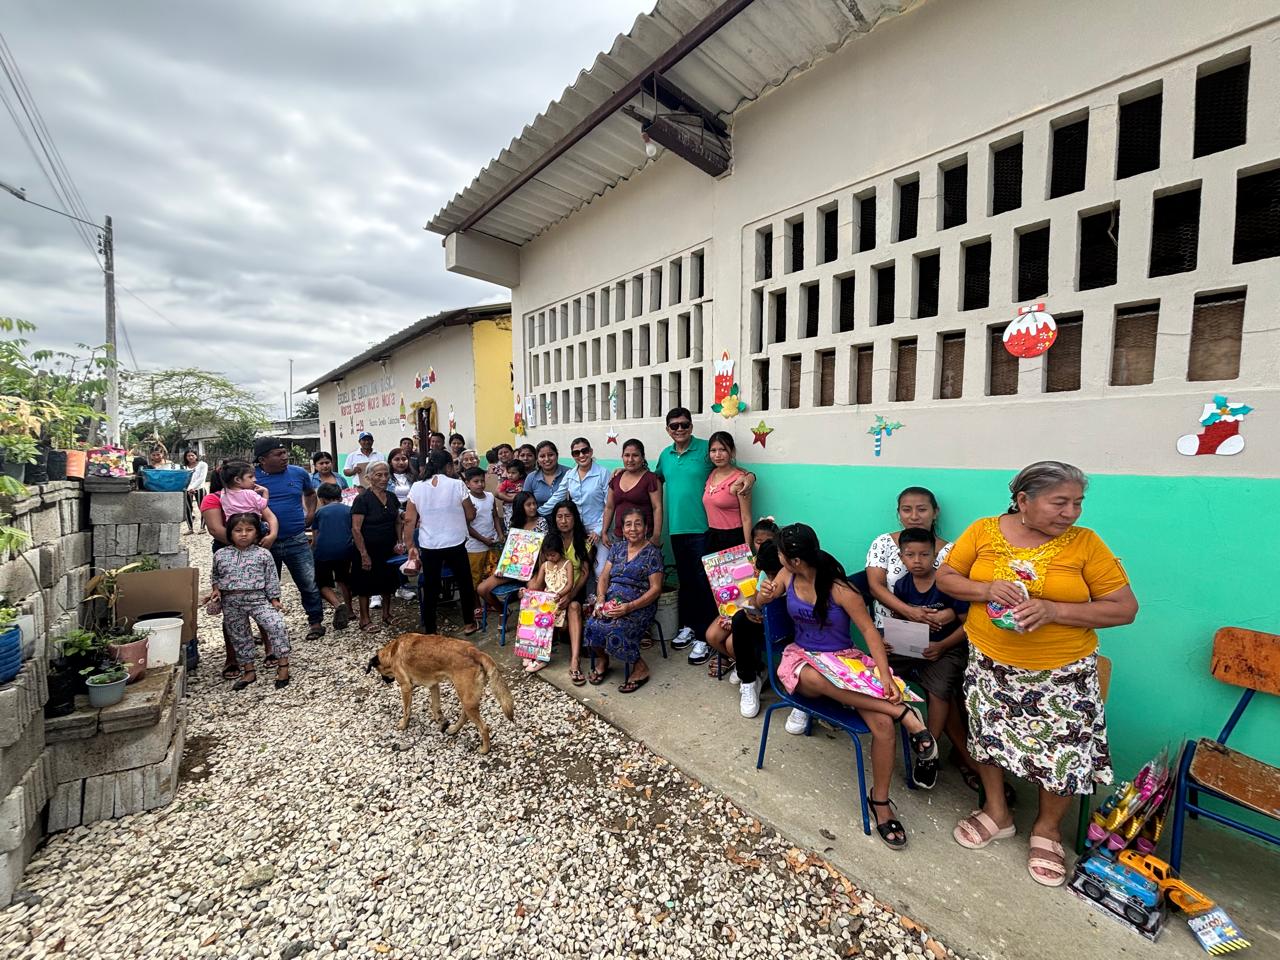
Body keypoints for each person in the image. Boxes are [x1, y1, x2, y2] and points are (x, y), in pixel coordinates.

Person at [937, 461, 1137, 886]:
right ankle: (997, 811)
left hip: (1061, 675)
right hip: (989, 665)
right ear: (1023, 500)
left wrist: (1055, 610)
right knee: (987, 739)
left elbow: (1124, 609)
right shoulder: (983, 531)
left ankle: (1047, 830)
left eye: (1077, 503)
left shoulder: (1086, 543)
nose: (1071, 513)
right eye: (1059, 502)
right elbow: (947, 578)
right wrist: (985, 588)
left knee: (1063, 755)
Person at [760, 523, 938, 850]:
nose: (779, 560)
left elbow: (869, 632)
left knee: (882, 726)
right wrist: (766, 595)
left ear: (796, 560)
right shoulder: (787, 576)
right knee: (815, 677)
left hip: (844, 661)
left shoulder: (841, 590)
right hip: (804, 660)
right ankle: (902, 712)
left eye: (782, 555)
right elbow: (760, 601)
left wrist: (884, 675)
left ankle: (880, 801)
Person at [655, 407, 753, 662]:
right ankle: (689, 626)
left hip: (703, 530)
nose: (679, 429)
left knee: (706, 585)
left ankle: (703, 635)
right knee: (686, 581)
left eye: (684, 424)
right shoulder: (665, 456)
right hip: (677, 529)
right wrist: (624, 472)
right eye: (674, 426)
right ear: (668, 429)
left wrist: (750, 477)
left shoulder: (705, 450)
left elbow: (731, 470)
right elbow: (654, 479)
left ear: (691, 426)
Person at [883, 527, 969, 789]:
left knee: (939, 690)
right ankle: (893, 723)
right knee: (878, 669)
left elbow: (969, 625)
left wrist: (942, 645)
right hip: (912, 646)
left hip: (947, 649)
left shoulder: (946, 584)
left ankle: (929, 748)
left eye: (924, 554)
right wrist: (890, 641)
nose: (917, 561)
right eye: (910, 555)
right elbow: (899, 620)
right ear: (901, 557)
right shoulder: (902, 585)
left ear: (935, 555)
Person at [583, 505, 665, 693]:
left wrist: (630, 607)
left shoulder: (652, 553)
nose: (633, 529)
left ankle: (640, 666)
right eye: (628, 524)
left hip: (639, 606)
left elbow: (656, 589)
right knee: (591, 624)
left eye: (638, 524)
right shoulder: (617, 548)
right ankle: (603, 659)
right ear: (623, 528)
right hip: (611, 602)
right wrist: (601, 599)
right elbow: (604, 577)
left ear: (646, 527)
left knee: (616, 628)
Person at [206, 512, 292, 690]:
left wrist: (274, 599)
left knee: (276, 625)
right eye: (238, 530)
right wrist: (216, 590)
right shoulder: (220, 555)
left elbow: (271, 578)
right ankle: (249, 670)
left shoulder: (263, 554)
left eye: (249, 530)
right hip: (231, 601)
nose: (243, 534)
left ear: (257, 533)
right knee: (239, 635)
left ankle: (283, 666)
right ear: (230, 533)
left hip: (258, 599)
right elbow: (216, 575)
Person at [253, 437, 326, 642]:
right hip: (265, 543)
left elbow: (310, 493)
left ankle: (315, 622)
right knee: (267, 587)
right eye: (278, 454)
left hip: (296, 539)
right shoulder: (251, 478)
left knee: (308, 583)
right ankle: (268, 628)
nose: (285, 457)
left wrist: (310, 514)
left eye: (285, 452)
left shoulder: (298, 473)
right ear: (262, 459)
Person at [403, 450, 480, 636]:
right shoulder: (457, 484)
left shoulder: (417, 487)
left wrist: (410, 546)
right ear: (448, 466)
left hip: (429, 544)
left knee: (431, 587)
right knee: (464, 583)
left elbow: (409, 520)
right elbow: (470, 514)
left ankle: (431, 629)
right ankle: (469, 623)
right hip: (455, 542)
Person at [704, 517, 779, 704]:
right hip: (734, 610)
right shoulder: (743, 560)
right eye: (758, 542)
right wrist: (727, 613)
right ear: (752, 542)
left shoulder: (776, 567)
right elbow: (727, 592)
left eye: (768, 542)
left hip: (753, 616)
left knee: (732, 644)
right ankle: (752, 667)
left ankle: (751, 672)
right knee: (712, 636)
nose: (763, 546)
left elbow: (760, 602)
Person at [539, 437, 609, 580]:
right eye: (576, 453)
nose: (581, 455)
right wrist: (538, 512)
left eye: (584, 451)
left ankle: (601, 594)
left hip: (598, 528)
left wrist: (599, 530)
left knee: (600, 570)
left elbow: (609, 505)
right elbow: (557, 497)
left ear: (591, 452)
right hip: (577, 530)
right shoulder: (570, 475)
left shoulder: (603, 473)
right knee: (576, 568)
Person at [350, 461, 405, 631]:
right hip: (367, 548)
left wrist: (399, 541)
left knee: (387, 581)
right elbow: (356, 529)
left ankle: (386, 614)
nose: (383, 478)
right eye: (378, 475)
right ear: (369, 478)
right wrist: (363, 554)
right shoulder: (362, 499)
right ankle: (364, 620)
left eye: (386, 474)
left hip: (388, 547)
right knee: (365, 584)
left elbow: (397, 521)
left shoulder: (392, 497)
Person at [524, 530, 587, 677]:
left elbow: (570, 584)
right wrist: (526, 591)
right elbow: (538, 585)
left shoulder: (567, 564)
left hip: (561, 599)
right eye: (548, 555)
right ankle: (532, 652)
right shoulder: (545, 565)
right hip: (548, 600)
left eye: (553, 554)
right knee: (535, 611)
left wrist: (560, 594)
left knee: (547, 618)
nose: (551, 558)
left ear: (560, 551)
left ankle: (541, 657)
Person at [477, 490, 546, 613]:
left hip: (533, 569)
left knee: (533, 589)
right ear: (520, 507)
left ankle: (530, 621)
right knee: (482, 589)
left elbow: (543, 550)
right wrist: (502, 568)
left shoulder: (541, 522)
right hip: (513, 569)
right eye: (528, 505)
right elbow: (509, 550)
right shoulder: (513, 524)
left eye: (534, 503)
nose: (533, 507)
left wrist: (530, 572)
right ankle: (503, 611)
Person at [601, 438, 662, 548]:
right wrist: (604, 531)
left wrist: (656, 535)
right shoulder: (616, 478)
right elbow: (609, 507)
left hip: (643, 538)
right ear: (622, 457)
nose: (630, 459)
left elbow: (657, 508)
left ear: (642, 457)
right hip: (619, 537)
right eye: (627, 455)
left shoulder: (651, 479)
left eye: (635, 455)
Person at [310, 483, 354, 630]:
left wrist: (311, 550)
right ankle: (350, 611)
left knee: (322, 583)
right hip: (345, 551)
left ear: (322, 499)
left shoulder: (319, 512)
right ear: (339, 496)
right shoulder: (349, 510)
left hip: (323, 552)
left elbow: (315, 537)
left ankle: (338, 604)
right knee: (343, 580)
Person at [463, 466, 504, 600]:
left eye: (482, 481)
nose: (480, 484)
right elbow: (466, 526)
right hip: (475, 546)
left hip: (493, 542)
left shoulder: (490, 496)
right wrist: (483, 539)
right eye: (476, 481)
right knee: (475, 577)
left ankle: (491, 602)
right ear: (467, 483)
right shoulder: (466, 500)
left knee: (492, 574)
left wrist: (500, 534)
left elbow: (495, 516)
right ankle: (476, 605)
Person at [217, 460, 280, 540]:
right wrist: (265, 492)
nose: (255, 479)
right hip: (253, 526)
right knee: (264, 527)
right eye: (250, 477)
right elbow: (263, 505)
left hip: (233, 527)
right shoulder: (249, 493)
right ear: (237, 480)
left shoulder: (224, 493)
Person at [524, 440, 567, 509]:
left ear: (557, 456)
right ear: (537, 459)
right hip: (539, 515)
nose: (547, 459)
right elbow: (525, 503)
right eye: (542, 456)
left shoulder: (568, 473)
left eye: (550, 455)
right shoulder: (531, 478)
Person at [181, 450, 208, 532]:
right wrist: (188, 488)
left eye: (192, 455)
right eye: (188, 456)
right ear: (186, 457)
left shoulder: (202, 465)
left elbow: (202, 478)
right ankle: (190, 528)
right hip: (187, 489)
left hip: (199, 488)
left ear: (196, 456)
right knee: (187, 508)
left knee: (203, 507)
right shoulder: (184, 467)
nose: (190, 457)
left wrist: (192, 487)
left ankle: (203, 527)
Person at [496, 460, 526, 525]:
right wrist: (511, 499)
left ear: (521, 474)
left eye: (513, 473)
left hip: (521, 507)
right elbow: (500, 493)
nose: (510, 475)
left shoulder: (524, 482)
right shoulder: (506, 483)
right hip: (508, 507)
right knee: (509, 522)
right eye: (508, 472)